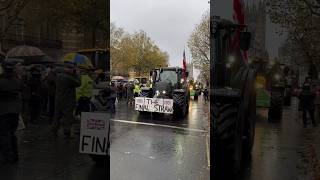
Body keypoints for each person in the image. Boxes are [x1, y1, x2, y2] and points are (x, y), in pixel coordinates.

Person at [0, 61, 22, 164]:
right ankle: (15, 155)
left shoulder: (1, 81)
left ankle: (8, 156)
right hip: (15, 110)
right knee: (12, 133)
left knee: (5, 134)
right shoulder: (17, 80)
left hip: (3, 111)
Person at [51, 62, 81, 138]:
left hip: (58, 98)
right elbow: (78, 83)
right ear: (68, 69)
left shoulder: (58, 76)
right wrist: (77, 74)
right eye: (72, 69)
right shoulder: (68, 77)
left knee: (57, 115)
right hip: (68, 100)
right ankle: (67, 132)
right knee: (67, 116)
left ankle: (54, 130)